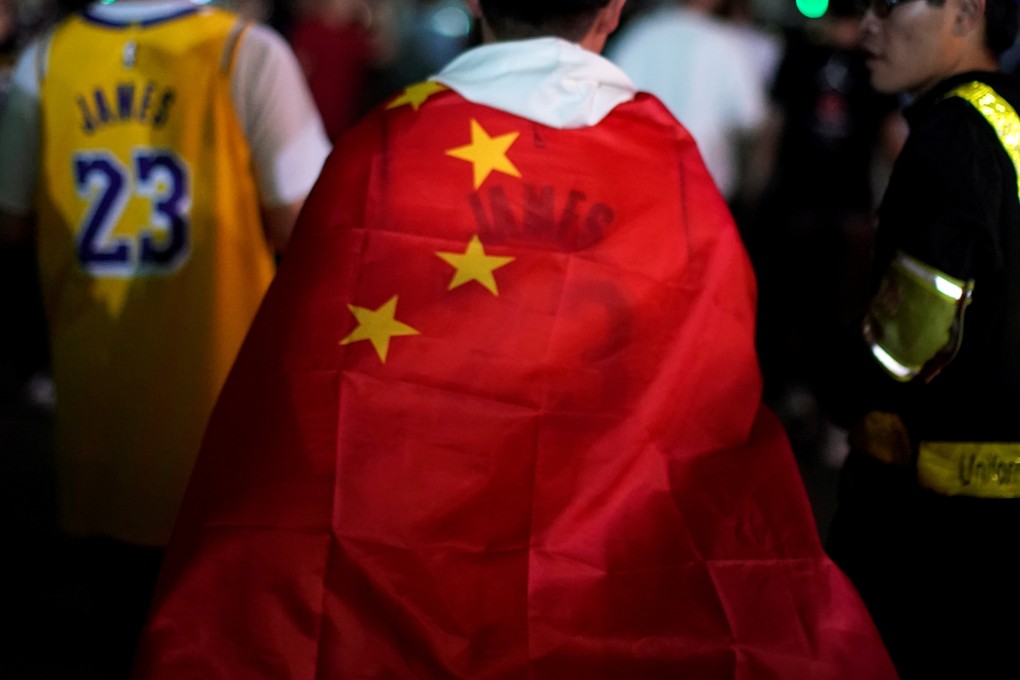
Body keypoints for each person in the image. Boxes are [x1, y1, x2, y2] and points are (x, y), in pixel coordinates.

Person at [134, 0, 896, 677]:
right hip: (609, 572)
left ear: (476, 2)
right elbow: (712, 373)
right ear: (612, 9)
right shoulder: (669, 165)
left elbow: (306, 374)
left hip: (395, 563)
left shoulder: (387, 147)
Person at [0, 0, 330, 675]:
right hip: (219, 414)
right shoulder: (248, 53)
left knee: (112, 622)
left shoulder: (46, 60)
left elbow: (10, 222)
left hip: (95, 407)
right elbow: (307, 228)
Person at [824, 0, 1020, 677]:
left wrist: (831, 385)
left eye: (887, 5)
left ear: (965, 14)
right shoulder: (1008, 122)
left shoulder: (953, 135)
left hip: (929, 524)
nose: (867, 26)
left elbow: (911, 336)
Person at [606, 0, 767, 203]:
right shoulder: (727, 44)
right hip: (704, 187)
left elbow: (609, 102)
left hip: (640, 183)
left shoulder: (641, 34)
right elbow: (749, 120)